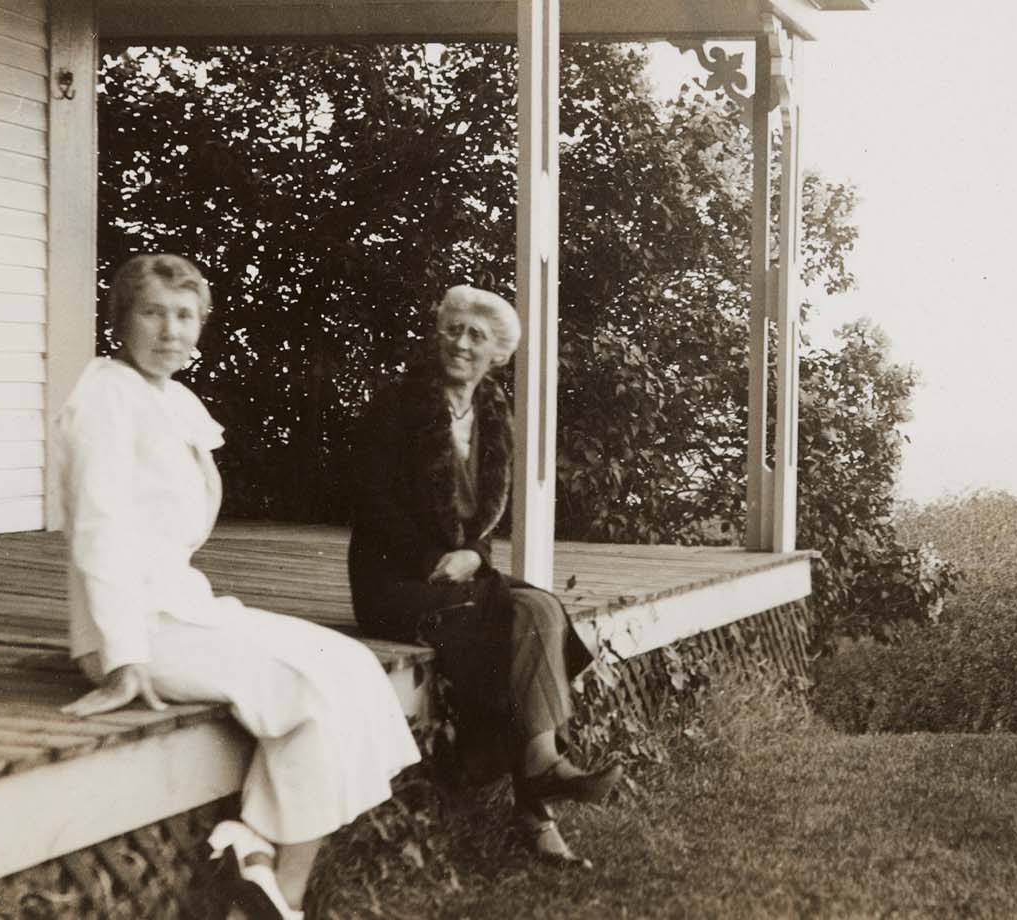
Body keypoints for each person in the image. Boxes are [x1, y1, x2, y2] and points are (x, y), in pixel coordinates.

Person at [52, 254, 419, 920]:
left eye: (184, 315)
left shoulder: (173, 400)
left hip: (184, 605)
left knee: (350, 664)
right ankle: (286, 892)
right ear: (119, 320)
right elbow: (98, 530)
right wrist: (123, 656)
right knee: (305, 691)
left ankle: (254, 852)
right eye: (152, 312)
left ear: (200, 327)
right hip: (132, 626)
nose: (170, 330)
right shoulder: (105, 394)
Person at [348, 284, 621, 867]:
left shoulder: (495, 415)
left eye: (477, 336)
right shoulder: (398, 404)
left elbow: (482, 517)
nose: (462, 344)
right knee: (505, 629)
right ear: (438, 333)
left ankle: (541, 767)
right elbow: (369, 500)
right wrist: (430, 562)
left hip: (462, 573)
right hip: (394, 578)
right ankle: (537, 807)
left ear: (498, 352)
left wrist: (473, 553)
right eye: (454, 330)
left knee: (540, 610)